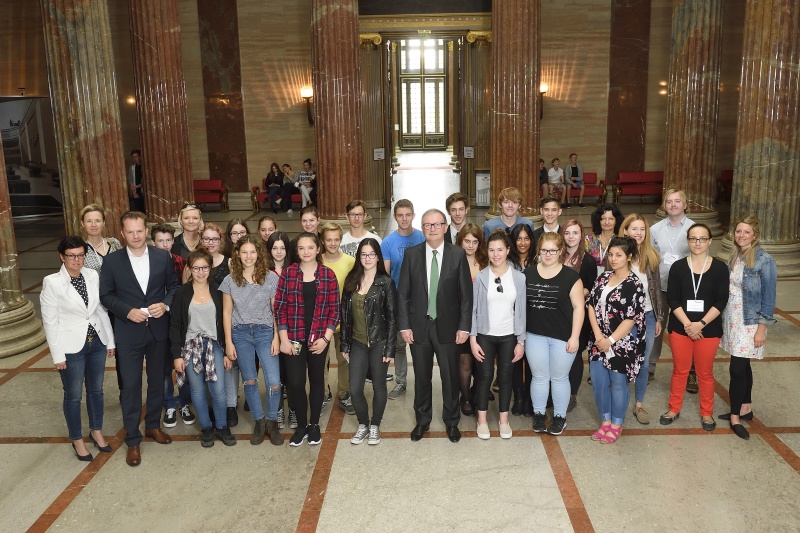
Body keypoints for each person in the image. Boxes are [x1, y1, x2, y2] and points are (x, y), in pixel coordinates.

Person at [100, 211, 180, 467]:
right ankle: (133, 439)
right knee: (131, 386)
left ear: (146, 230)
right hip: (128, 332)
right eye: (130, 232)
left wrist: (165, 305)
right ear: (122, 234)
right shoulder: (112, 262)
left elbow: (175, 287)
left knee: (158, 381)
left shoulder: (161, 256)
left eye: (139, 230)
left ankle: (153, 426)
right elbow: (106, 295)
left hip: (158, 330)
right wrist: (126, 311)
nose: (135, 236)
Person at [398, 209, 472, 443]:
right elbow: (403, 294)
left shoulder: (457, 254)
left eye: (437, 224)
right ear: (422, 228)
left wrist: (464, 327)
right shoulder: (411, 255)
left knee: (450, 377)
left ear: (445, 227)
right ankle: (422, 421)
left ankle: (451, 421)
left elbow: (466, 296)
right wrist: (404, 326)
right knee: (421, 377)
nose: (432, 229)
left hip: (448, 327)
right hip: (419, 326)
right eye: (427, 225)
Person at [41, 236, 115, 461]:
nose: (77, 260)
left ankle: (96, 431)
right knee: (73, 396)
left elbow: (100, 310)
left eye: (81, 255)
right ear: (62, 257)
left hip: (96, 342)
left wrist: (110, 341)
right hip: (71, 347)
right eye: (71, 256)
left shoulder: (92, 275)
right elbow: (50, 321)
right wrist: (57, 355)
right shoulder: (52, 282)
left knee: (96, 391)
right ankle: (77, 439)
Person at [660, 223, 729, 431]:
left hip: (708, 329)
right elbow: (672, 298)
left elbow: (721, 300)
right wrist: (689, 324)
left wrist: (701, 324)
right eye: (693, 238)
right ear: (688, 241)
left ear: (709, 241)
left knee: (705, 373)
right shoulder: (678, 267)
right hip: (681, 327)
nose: (697, 243)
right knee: (680, 370)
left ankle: (707, 413)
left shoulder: (719, 268)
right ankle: (674, 409)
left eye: (702, 238)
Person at [275, 232, 340, 446]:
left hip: (319, 338)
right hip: (293, 338)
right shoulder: (288, 273)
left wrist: (326, 338)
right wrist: (283, 340)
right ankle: (301, 425)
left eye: (310, 247)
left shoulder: (328, 275)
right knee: (295, 383)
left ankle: (314, 425)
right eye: (301, 248)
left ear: (318, 249)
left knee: (317, 381)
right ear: (297, 251)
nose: (306, 252)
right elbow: (280, 308)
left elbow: (334, 310)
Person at [170, 249, 236, 448]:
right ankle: (206, 427)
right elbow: (174, 325)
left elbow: (226, 321)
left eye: (204, 268)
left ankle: (222, 426)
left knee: (218, 389)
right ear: (189, 269)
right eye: (196, 268)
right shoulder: (182, 292)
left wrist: (226, 351)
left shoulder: (218, 290)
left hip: (214, 344)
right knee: (197, 390)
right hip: (190, 346)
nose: (200, 272)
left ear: (210, 268)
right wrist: (177, 355)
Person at [220, 235, 283, 446]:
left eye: (253, 252)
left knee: (273, 381)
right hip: (240, 334)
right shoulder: (230, 280)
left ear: (259, 254)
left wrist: (276, 337)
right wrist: (228, 342)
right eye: (244, 252)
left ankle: (272, 421)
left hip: (265, 332)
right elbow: (227, 313)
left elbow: (277, 310)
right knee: (249, 380)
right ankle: (259, 421)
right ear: (237, 254)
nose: (248, 256)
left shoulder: (271, 278)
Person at [720, 216, 777, 440]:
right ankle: (745, 407)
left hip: (750, 322)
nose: (741, 236)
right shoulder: (735, 255)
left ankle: (735, 416)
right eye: (738, 232)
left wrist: (762, 328)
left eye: (746, 232)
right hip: (732, 318)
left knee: (737, 368)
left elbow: (769, 298)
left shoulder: (764, 260)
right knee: (744, 366)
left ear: (755, 235)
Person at [586, 236, 646, 444]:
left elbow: (631, 319)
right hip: (598, 341)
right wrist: (598, 337)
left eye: (619, 255)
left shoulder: (634, 284)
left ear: (629, 257)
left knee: (618, 383)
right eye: (611, 254)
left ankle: (617, 424)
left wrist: (609, 340)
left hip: (621, 343)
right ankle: (605, 421)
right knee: (599, 383)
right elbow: (591, 305)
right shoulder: (603, 277)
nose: (613, 258)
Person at [525, 232, 585, 435]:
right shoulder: (527, 274)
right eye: (544, 250)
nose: (548, 254)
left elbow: (579, 307)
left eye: (552, 250)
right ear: (538, 251)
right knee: (539, 377)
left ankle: (560, 417)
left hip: (563, 336)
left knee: (559, 378)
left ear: (560, 251)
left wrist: (575, 336)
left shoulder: (571, 277)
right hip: (534, 335)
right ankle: (539, 414)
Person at [340, 239, 397, 445]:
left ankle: (375, 425)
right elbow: (345, 315)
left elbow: (392, 318)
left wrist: (389, 348)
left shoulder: (386, 283)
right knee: (355, 389)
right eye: (363, 254)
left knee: (379, 386)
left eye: (371, 254)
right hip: (357, 343)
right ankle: (363, 424)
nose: (367, 258)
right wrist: (345, 345)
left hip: (379, 343)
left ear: (378, 257)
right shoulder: (351, 280)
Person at [470, 230, 526, 440]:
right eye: (491, 250)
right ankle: (482, 420)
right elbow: (474, 310)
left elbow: (521, 311)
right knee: (484, 377)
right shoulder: (481, 277)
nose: (495, 254)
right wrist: (473, 339)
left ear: (508, 250)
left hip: (509, 335)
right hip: (485, 334)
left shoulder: (519, 278)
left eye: (500, 249)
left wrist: (521, 340)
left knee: (505, 378)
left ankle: (504, 420)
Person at [619, 214, 665, 424]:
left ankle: (639, 405)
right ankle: (618, 402)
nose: (638, 233)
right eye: (634, 228)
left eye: (642, 229)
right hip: (622, 320)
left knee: (643, 362)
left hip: (646, 316)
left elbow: (656, 292)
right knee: (621, 361)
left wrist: (658, 318)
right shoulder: (617, 255)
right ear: (625, 231)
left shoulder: (652, 257)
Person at [649, 189, 696, 390]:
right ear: (664, 205)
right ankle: (649, 367)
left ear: (685, 204)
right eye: (669, 201)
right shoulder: (655, 229)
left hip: (686, 290)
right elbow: (650, 258)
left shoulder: (695, 229)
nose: (673, 205)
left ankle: (690, 371)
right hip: (660, 286)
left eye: (678, 201)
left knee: (687, 329)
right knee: (656, 328)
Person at [151, 223, 195, 428]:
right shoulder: (148, 264)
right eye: (160, 241)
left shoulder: (181, 262)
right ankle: (168, 403)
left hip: (179, 320)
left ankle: (183, 401)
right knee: (163, 365)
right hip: (157, 320)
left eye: (168, 240)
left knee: (183, 363)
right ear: (153, 242)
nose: (165, 245)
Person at [382, 199, 426, 400]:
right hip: (400, 301)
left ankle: (422, 381)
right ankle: (400, 381)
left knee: (420, 343)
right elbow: (386, 275)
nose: (404, 218)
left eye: (408, 214)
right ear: (395, 217)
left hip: (421, 300)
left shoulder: (422, 237)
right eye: (400, 215)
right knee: (399, 344)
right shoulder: (388, 242)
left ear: (413, 216)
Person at [320, 222, 356, 415]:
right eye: (329, 240)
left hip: (344, 320)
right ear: (323, 241)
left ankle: (344, 393)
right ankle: (324, 392)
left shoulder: (350, 261)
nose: (333, 243)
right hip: (322, 322)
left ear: (341, 240)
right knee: (321, 361)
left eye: (336, 239)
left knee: (344, 359)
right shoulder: (317, 261)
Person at [561, 220, 597, 412]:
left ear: (581, 235)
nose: (571, 237)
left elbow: (590, 289)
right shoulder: (557, 256)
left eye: (575, 233)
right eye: (567, 233)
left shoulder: (588, 261)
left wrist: (570, 294)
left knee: (574, 355)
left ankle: (572, 394)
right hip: (558, 314)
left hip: (578, 315)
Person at [456, 223, 488, 415]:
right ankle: (465, 397)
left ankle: (477, 392)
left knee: (481, 360)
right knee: (465, 362)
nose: (470, 245)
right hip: (461, 320)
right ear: (460, 241)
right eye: (466, 241)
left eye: (474, 242)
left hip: (483, 320)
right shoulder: (453, 261)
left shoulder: (486, 262)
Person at [267, 231, 297, 430]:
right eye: (274, 248)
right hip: (269, 329)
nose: (279, 252)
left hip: (293, 329)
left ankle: (293, 409)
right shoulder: (263, 271)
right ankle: (277, 409)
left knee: (293, 374)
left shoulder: (295, 269)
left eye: (282, 248)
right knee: (274, 375)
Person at [508, 223, 536, 416]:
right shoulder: (508, 262)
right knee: (515, 359)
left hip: (535, 315)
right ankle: (518, 396)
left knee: (533, 359)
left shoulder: (539, 260)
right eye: (519, 238)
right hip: (512, 316)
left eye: (526, 238)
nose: (523, 242)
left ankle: (530, 398)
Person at [80, 204, 122, 274]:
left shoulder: (114, 243)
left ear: (103, 223)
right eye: (89, 221)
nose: (93, 225)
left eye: (97, 221)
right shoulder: (81, 250)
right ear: (83, 224)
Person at [585, 203, 624, 276]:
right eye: (603, 219)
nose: (607, 222)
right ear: (598, 220)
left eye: (611, 219)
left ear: (616, 221)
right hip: (591, 278)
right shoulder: (589, 240)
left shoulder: (621, 241)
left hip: (613, 278)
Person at [127, 149, 145, 213]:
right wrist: (134, 192)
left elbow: (145, 181)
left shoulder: (144, 166)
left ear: (139, 156)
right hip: (136, 193)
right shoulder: (132, 168)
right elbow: (130, 180)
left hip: (144, 192)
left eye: (136, 156)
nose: (135, 159)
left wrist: (136, 186)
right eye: (133, 157)